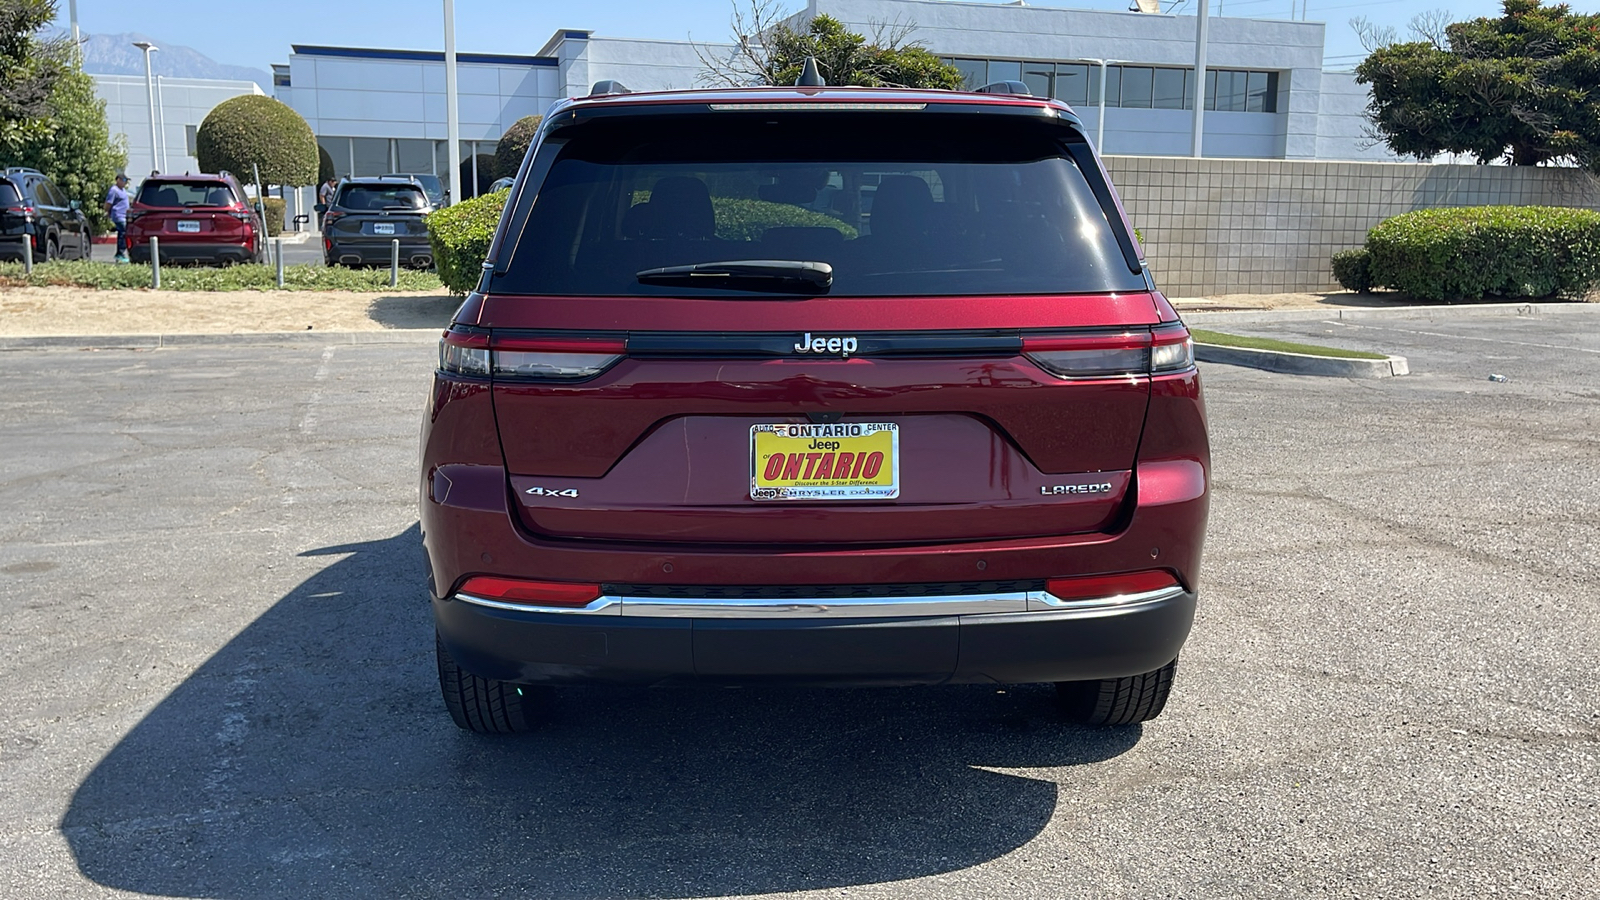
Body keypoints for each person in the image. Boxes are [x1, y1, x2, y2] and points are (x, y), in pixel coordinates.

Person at [104, 174, 130, 263]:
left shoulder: (122, 190)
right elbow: (108, 203)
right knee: (123, 233)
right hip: (118, 215)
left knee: (123, 234)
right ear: (118, 180)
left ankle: (121, 253)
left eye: (126, 180)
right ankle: (120, 254)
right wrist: (107, 212)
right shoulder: (114, 190)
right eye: (124, 179)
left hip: (124, 215)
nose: (125, 182)